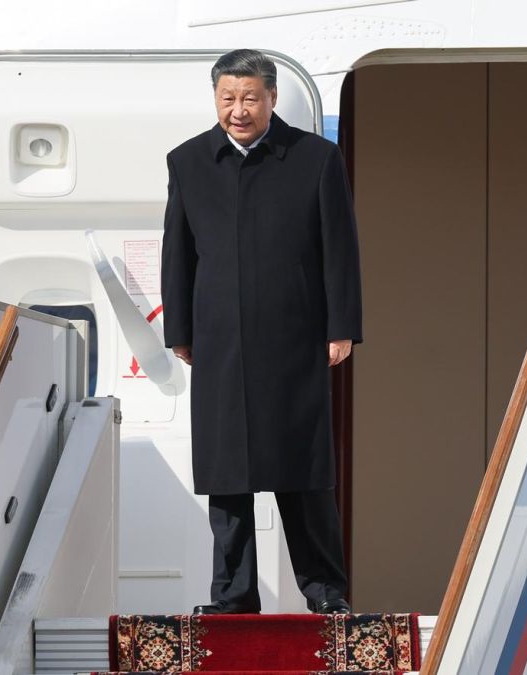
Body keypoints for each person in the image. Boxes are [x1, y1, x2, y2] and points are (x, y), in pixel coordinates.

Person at [160, 49, 363, 616]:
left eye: (250, 98)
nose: (239, 110)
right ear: (216, 100)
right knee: (227, 479)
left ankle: (325, 593)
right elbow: (178, 255)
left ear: (272, 98)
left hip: (296, 339)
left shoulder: (316, 159)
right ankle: (232, 596)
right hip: (220, 344)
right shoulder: (188, 162)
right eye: (228, 98)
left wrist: (342, 326)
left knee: (304, 474)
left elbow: (340, 251)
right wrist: (181, 328)